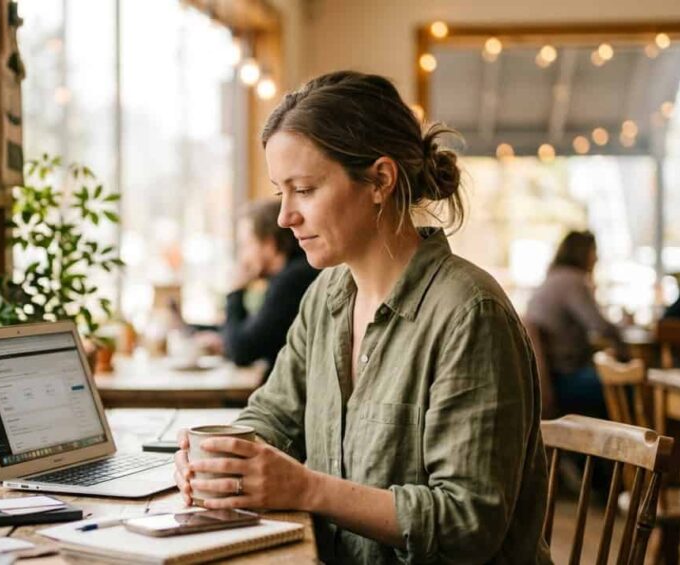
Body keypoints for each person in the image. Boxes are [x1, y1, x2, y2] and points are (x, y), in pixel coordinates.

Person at [174, 71, 551, 563]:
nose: (286, 217)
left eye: (304, 190)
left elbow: (468, 523)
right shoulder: (327, 294)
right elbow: (273, 415)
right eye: (280, 192)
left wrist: (306, 489)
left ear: (379, 180)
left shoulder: (469, 314)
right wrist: (220, 460)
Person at [216, 199, 319, 379]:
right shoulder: (291, 274)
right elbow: (253, 329)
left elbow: (242, 350)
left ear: (269, 244)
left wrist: (235, 291)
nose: (242, 256)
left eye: (246, 245)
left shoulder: (293, 280)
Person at [525, 230, 622, 418]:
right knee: (625, 387)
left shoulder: (553, 277)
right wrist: (620, 332)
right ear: (583, 252)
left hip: (545, 379)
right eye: (594, 251)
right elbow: (599, 326)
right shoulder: (573, 280)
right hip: (564, 378)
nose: (597, 258)